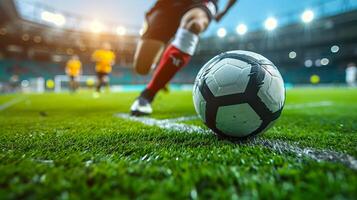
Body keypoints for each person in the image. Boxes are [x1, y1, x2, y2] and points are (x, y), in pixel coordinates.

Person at [130, 0, 238, 116]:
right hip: (166, 4)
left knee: (194, 25)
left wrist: (225, 10)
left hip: (201, 2)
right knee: (141, 68)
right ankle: (162, 68)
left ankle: (147, 96)